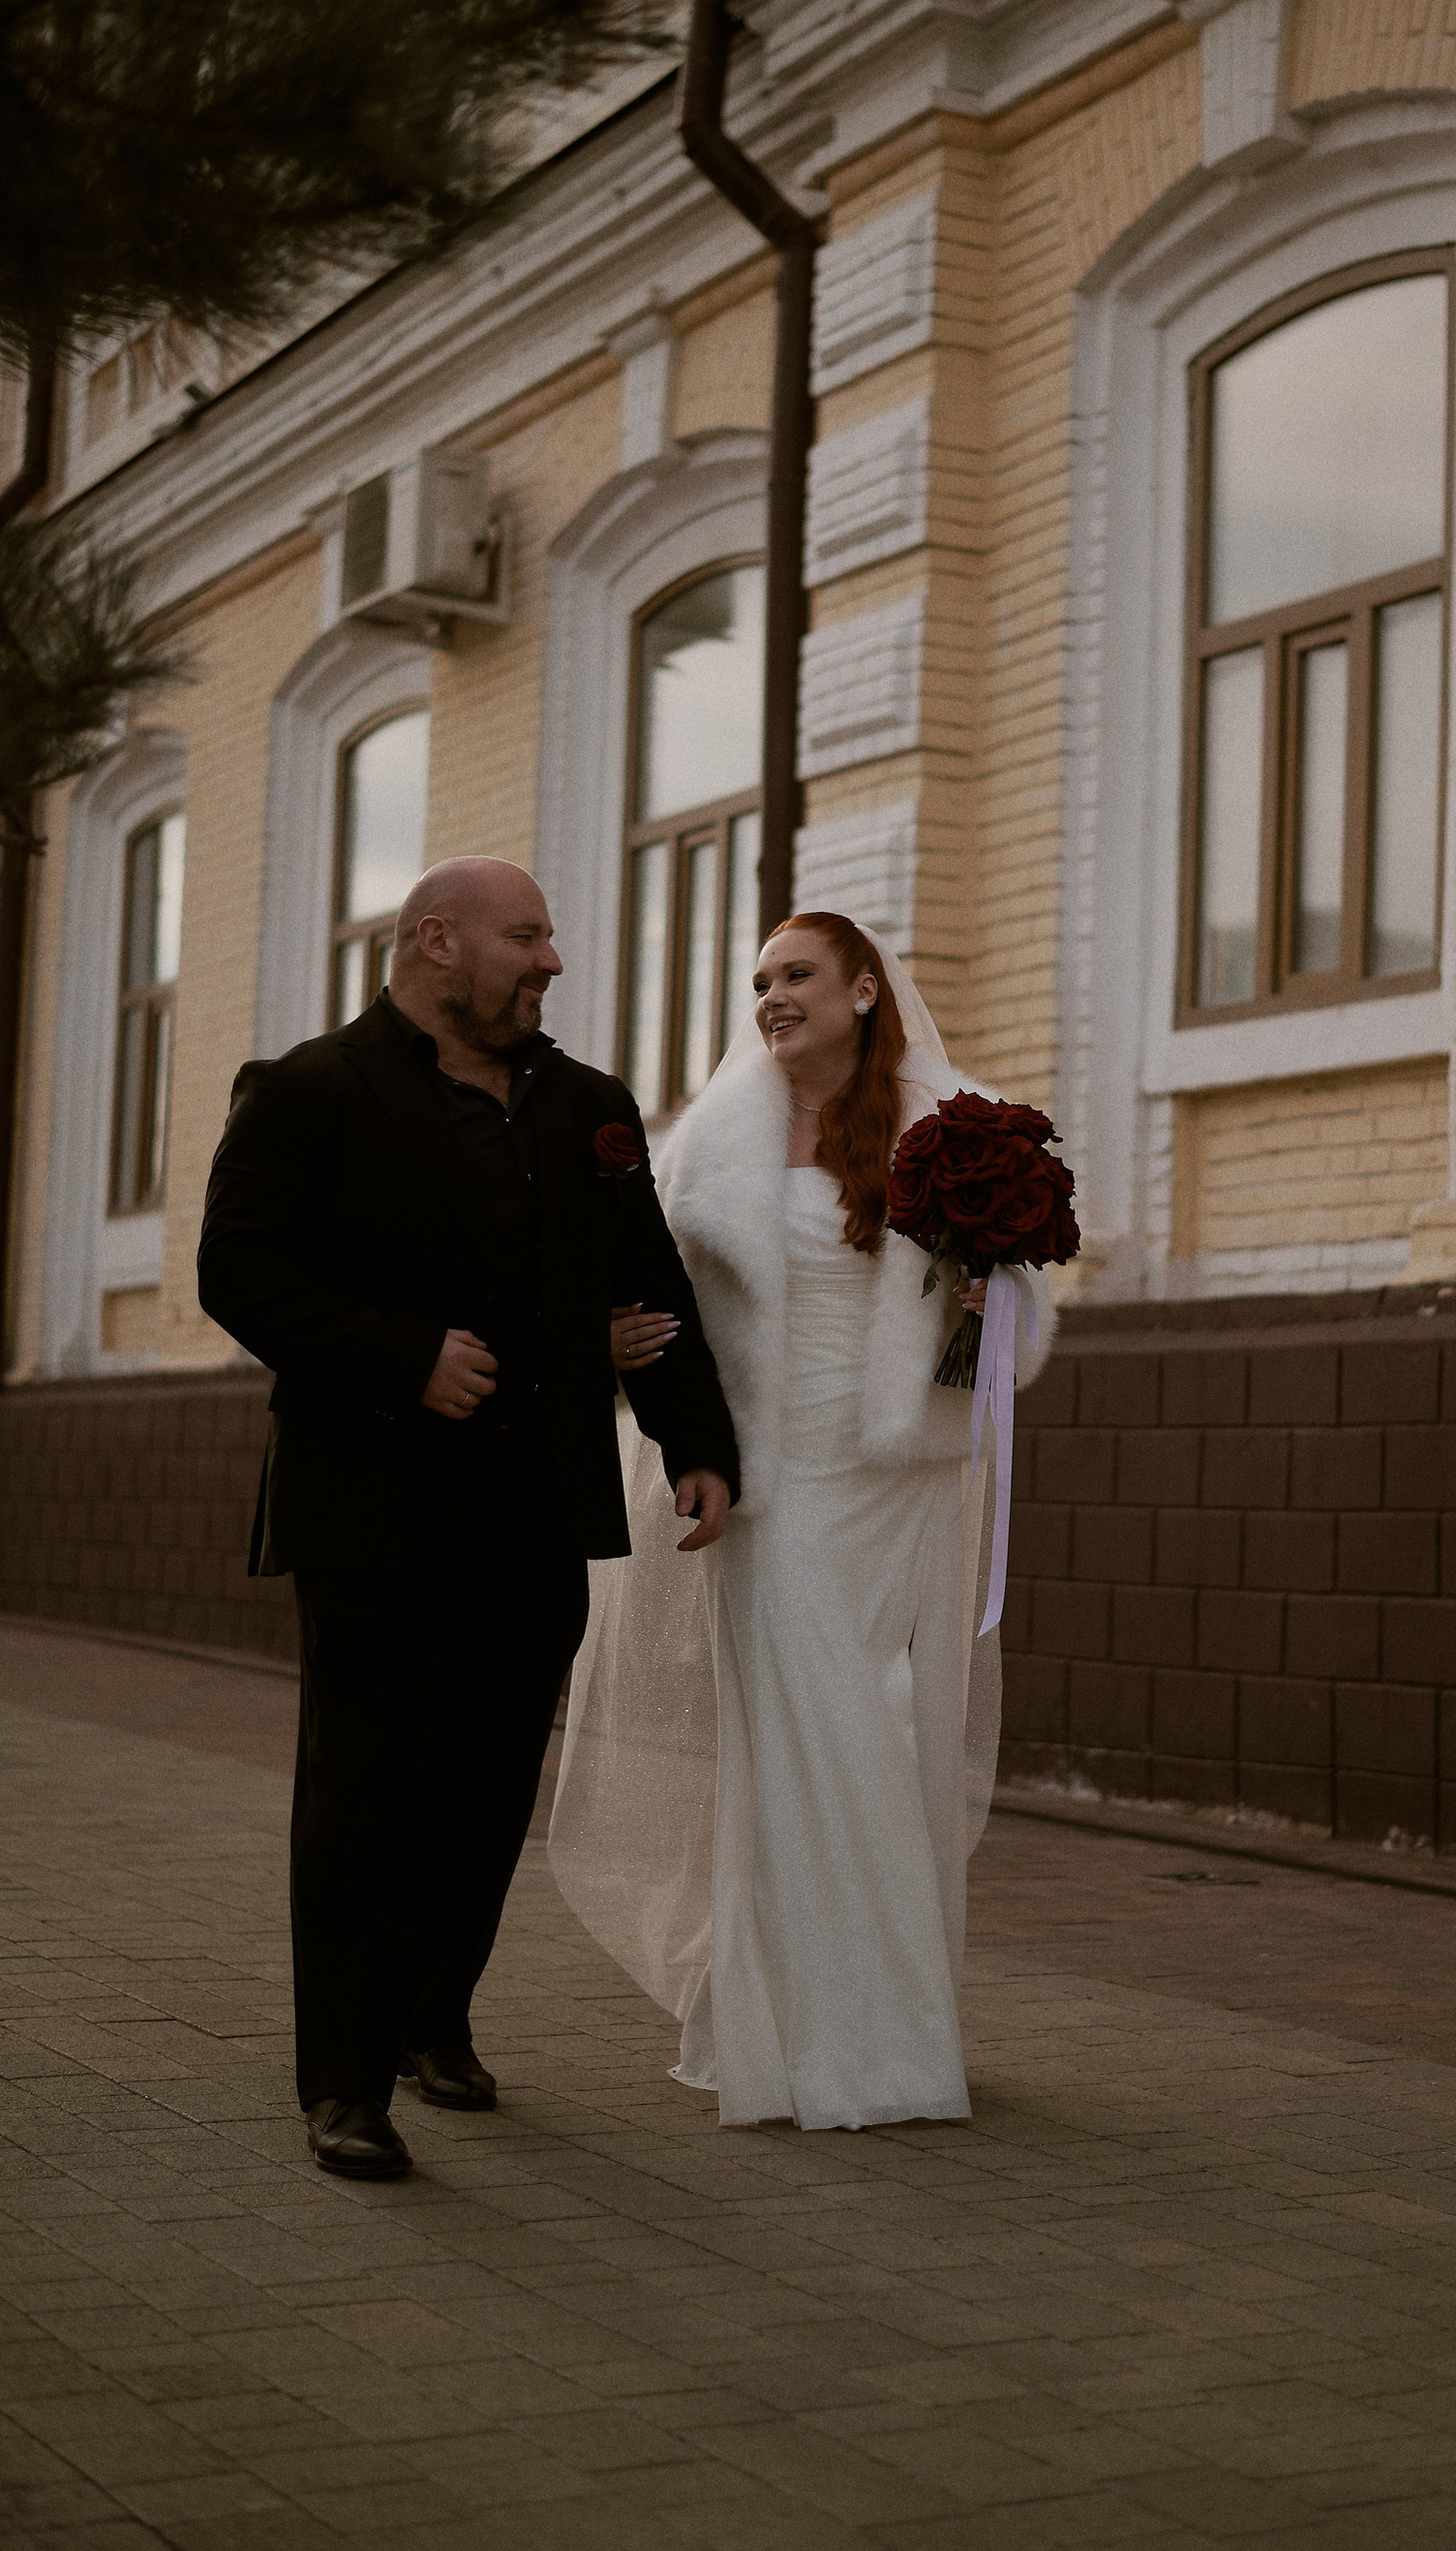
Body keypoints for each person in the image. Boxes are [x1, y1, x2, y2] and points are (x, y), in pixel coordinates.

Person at [197, 858, 740, 2180]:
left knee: (488, 1789)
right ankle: (344, 2081)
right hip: (371, 1505)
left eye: (550, 938)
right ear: (437, 941)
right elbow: (238, 1272)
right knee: (366, 1792)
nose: (551, 961)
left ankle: (432, 2018)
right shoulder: (311, 1090)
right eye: (528, 936)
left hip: (538, 1503)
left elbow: (648, 1282)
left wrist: (696, 1443)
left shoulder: (590, 1106)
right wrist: (402, 1357)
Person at [549, 912, 1054, 2131]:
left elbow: (1014, 1338)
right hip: (776, 1485)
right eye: (761, 979)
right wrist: (612, 1353)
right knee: (808, 1732)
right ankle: (808, 2035)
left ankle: (888, 2028)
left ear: (866, 989)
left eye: (796, 975)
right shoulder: (714, 1137)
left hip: (899, 1475)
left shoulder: (954, 1124)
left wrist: (984, 1309)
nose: (771, 995)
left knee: (889, 1726)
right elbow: (648, 1292)